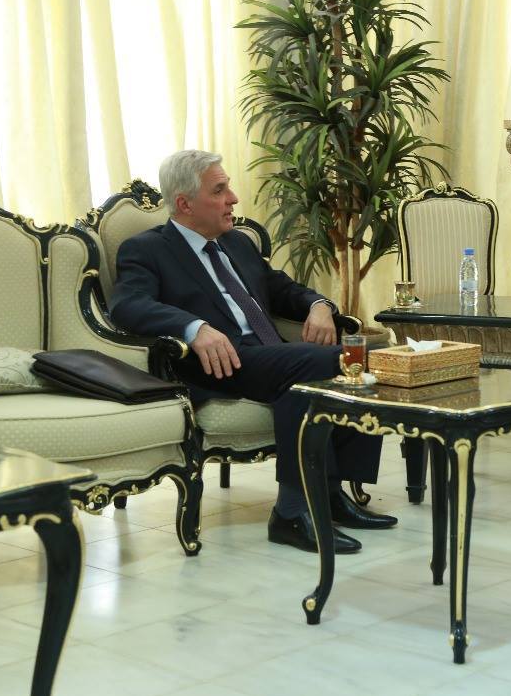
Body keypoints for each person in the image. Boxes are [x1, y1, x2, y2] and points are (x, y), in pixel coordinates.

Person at [110, 150, 394, 555]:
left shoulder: (237, 243)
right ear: (185, 204)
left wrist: (319, 305)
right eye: (219, 190)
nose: (234, 199)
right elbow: (128, 305)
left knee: (345, 362)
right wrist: (194, 328)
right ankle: (293, 512)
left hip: (267, 356)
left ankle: (327, 497)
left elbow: (282, 289)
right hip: (214, 363)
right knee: (333, 361)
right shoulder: (146, 249)